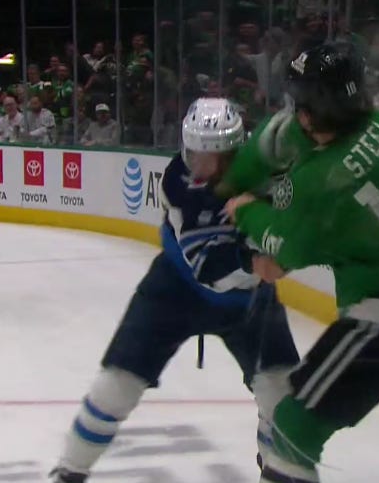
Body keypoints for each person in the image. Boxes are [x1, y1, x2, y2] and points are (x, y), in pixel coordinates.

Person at [220, 42, 379, 483]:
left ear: (311, 112)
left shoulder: (325, 180)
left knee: (292, 430)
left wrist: (245, 209)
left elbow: (282, 257)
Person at [50, 98, 300, 483]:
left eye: (211, 158)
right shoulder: (179, 183)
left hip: (247, 297)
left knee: (280, 391)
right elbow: (209, 268)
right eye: (195, 154)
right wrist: (258, 260)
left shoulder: (268, 167)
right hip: (176, 289)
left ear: (234, 154)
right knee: (117, 383)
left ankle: (276, 471)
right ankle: (69, 471)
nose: (198, 166)